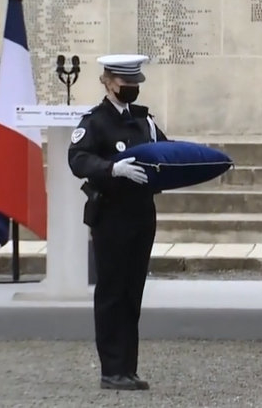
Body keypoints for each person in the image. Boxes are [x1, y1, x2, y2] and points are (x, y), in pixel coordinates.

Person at [68, 54, 168, 391]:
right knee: (112, 292)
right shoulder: (95, 122)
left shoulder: (144, 121)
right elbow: (78, 158)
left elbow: (165, 151)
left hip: (141, 213)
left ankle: (128, 368)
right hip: (111, 214)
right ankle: (111, 370)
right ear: (109, 82)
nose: (132, 88)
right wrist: (112, 168)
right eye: (126, 83)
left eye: (136, 83)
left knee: (132, 292)